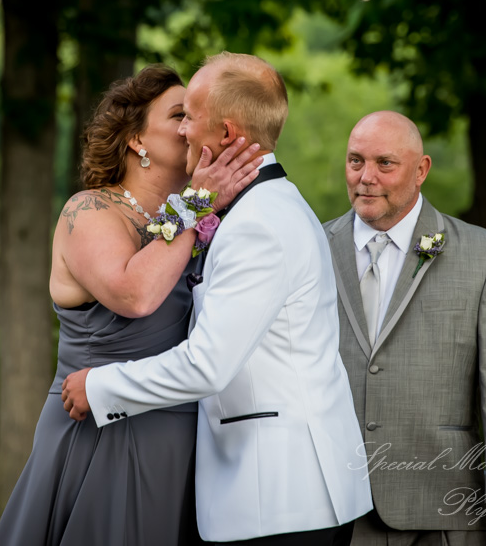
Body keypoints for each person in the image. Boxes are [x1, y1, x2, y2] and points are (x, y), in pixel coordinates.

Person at [62, 52, 373, 545]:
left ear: (226, 134)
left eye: (189, 115)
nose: (183, 129)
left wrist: (102, 388)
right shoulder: (258, 208)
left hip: (279, 496)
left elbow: (208, 365)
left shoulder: (257, 224)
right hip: (272, 491)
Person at [0, 65, 262, 545]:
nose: (188, 127)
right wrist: (200, 202)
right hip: (100, 428)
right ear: (136, 138)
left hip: (185, 434)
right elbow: (135, 295)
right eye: (179, 114)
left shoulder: (197, 216)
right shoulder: (90, 210)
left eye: (195, 116)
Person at [323, 111, 486, 546]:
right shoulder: (311, 247)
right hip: (333, 502)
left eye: (385, 163)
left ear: (421, 170)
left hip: (442, 502)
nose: (366, 177)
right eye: (355, 161)